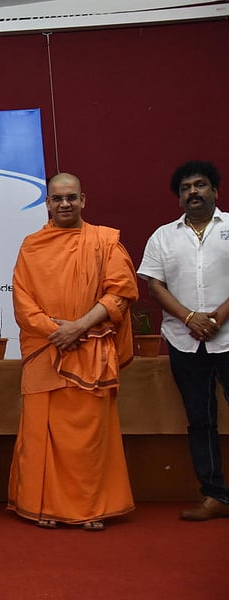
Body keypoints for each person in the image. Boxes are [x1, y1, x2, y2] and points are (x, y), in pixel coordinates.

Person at [8, 173, 137, 531]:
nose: (64, 204)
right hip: (45, 352)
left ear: (84, 200)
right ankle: (43, 505)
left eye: (71, 197)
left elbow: (119, 294)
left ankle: (91, 509)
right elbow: (22, 302)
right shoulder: (31, 246)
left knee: (89, 437)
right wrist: (56, 332)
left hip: (89, 348)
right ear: (47, 203)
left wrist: (77, 328)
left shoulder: (105, 241)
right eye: (57, 198)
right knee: (42, 435)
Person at [137, 160, 229, 521]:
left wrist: (216, 318)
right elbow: (155, 286)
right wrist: (190, 318)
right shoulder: (163, 236)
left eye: (200, 185)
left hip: (228, 337)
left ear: (215, 191)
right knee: (200, 419)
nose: (193, 191)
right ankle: (215, 495)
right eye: (186, 188)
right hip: (184, 340)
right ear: (179, 198)